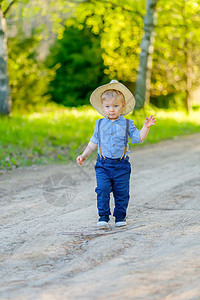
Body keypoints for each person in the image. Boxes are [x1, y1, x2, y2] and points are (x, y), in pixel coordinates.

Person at [76, 80, 156, 227]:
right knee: (102, 190)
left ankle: (120, 217)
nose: (111, 110)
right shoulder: (99, 124)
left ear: (123, 106)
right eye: (107, 106)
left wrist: (146, 127)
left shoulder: (127, 124)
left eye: (115, 106)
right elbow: (93, 143)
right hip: (103, 164)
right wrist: (84, 155)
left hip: (121, 165)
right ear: (102, 107)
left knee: (122, 193)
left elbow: (139, 138)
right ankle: (103, 216)